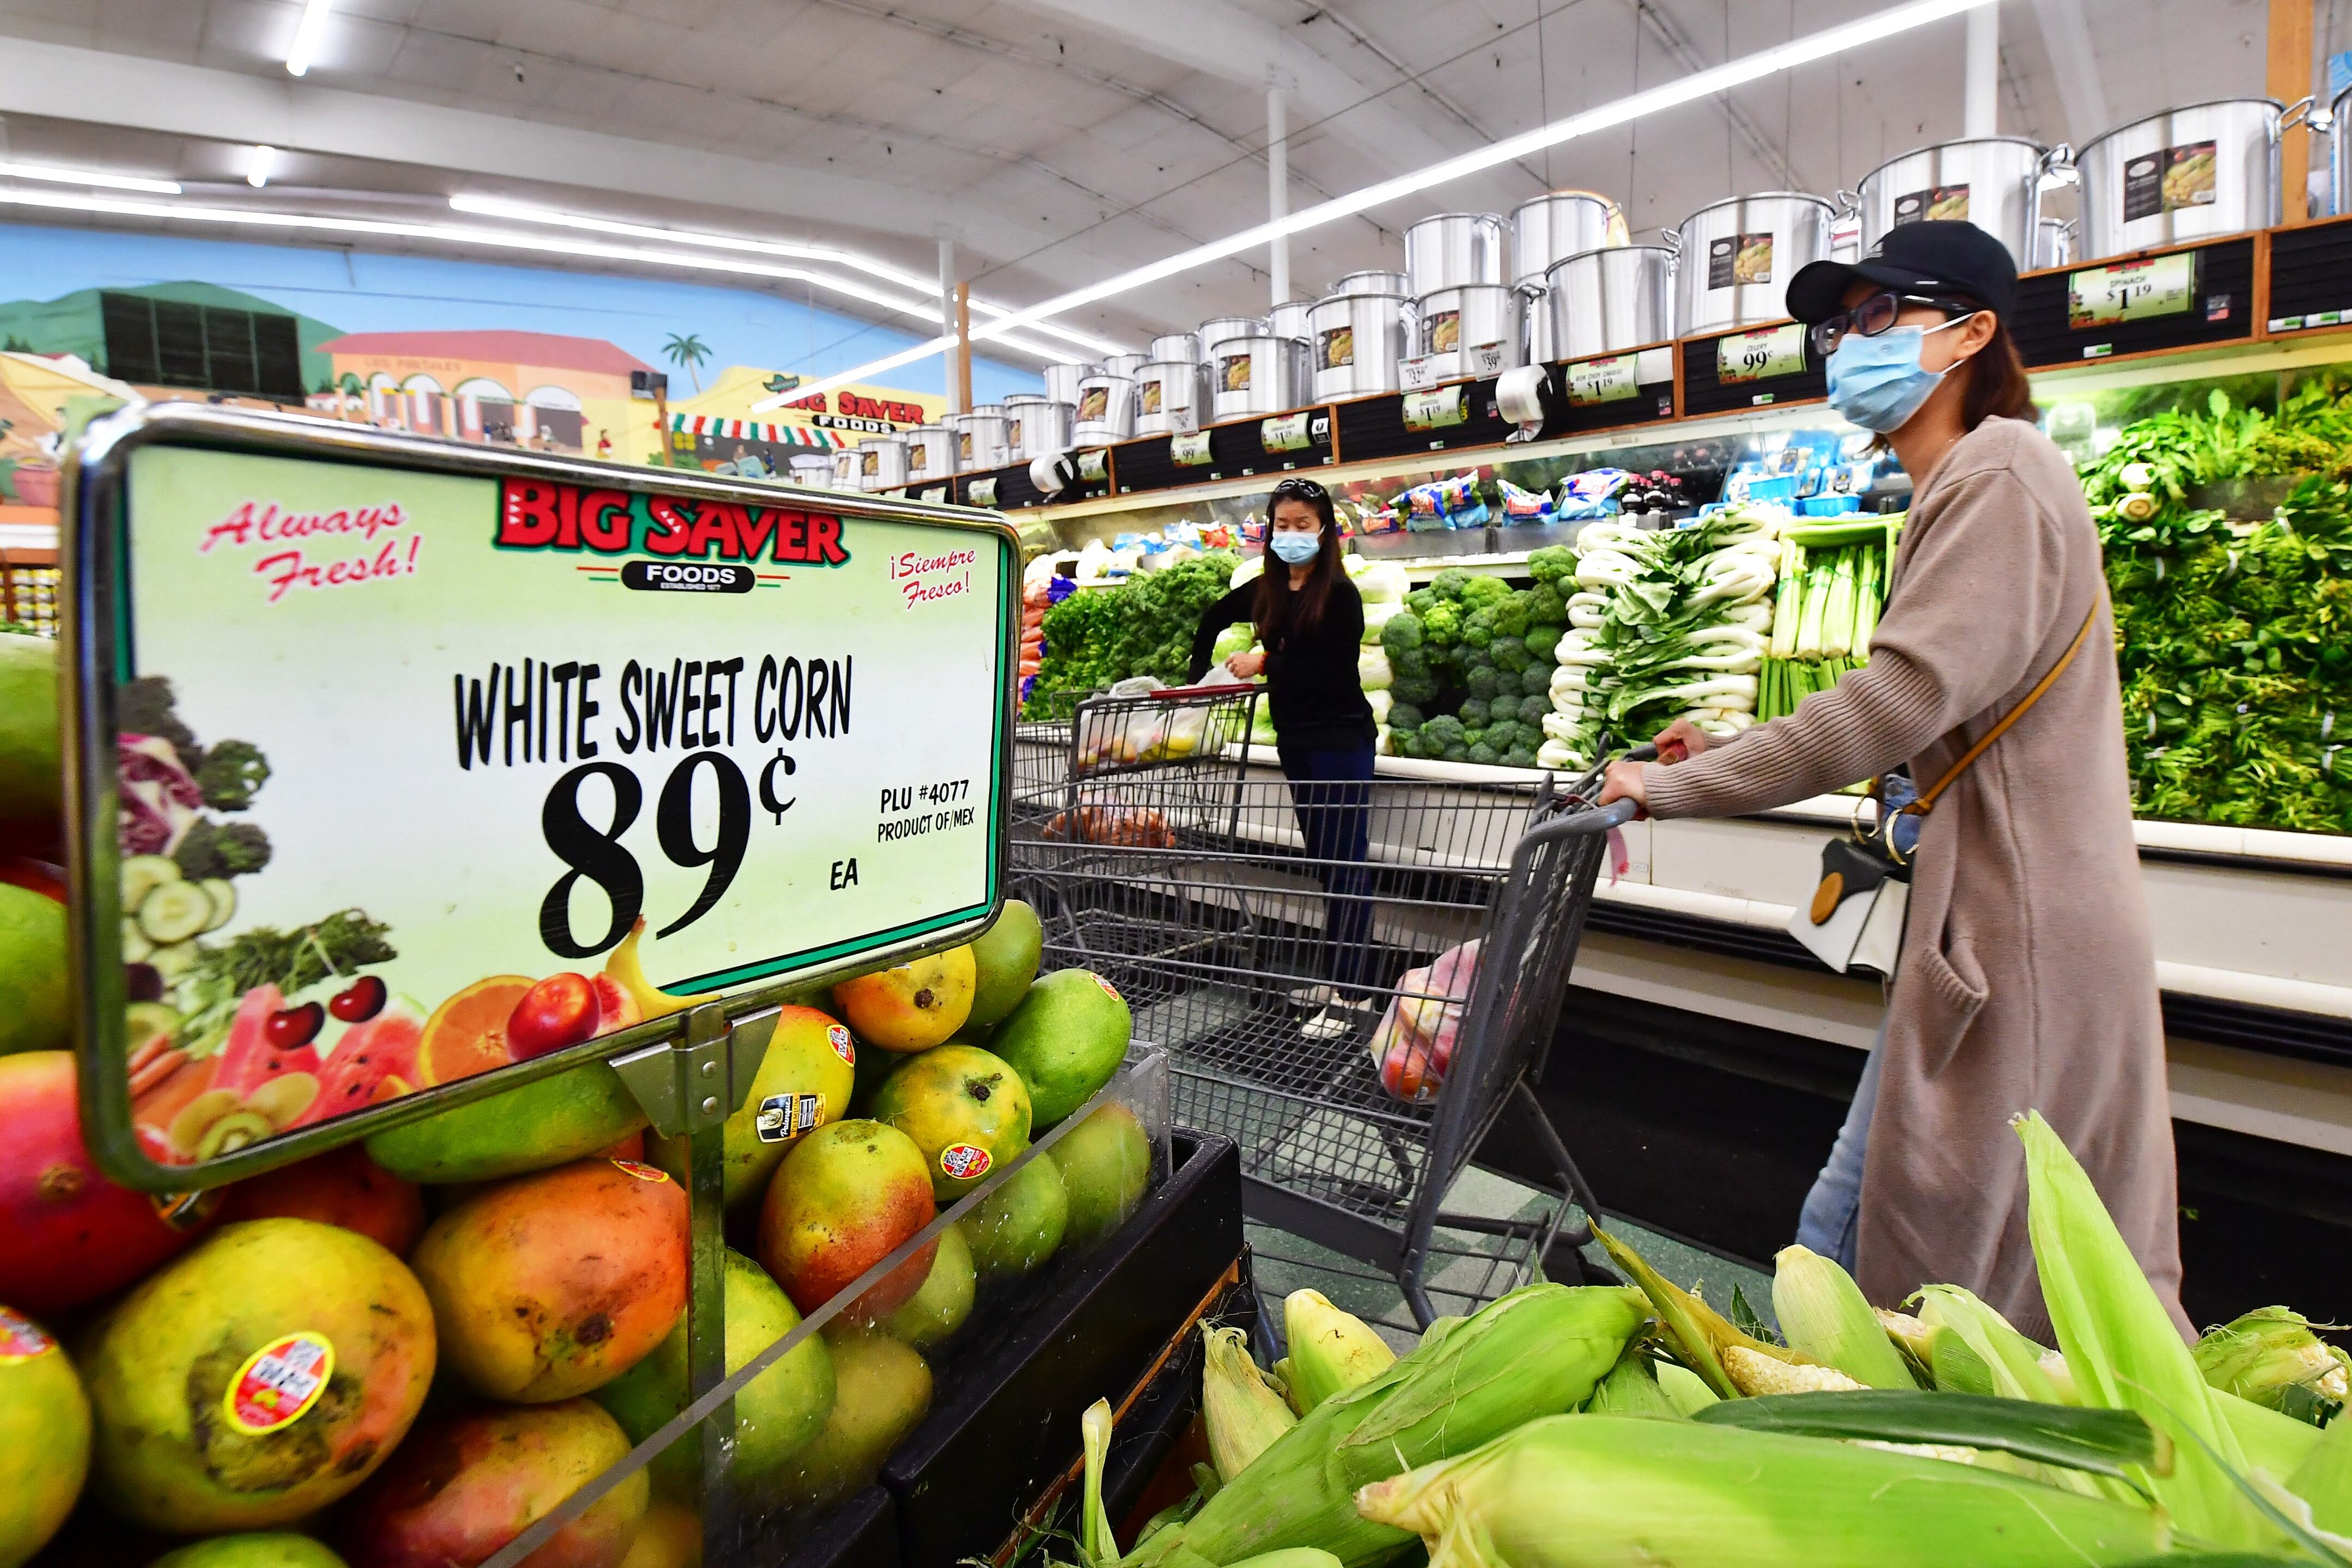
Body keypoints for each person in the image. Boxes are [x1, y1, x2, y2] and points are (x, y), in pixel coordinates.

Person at [1594, 221, 2188, 1341]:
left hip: (2020, 943)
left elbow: (1893, 705)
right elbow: (1934, 708)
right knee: (1881, 1218)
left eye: (1875, 315)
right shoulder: (1969, 481)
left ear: (1968, 332)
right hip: (1992, 927)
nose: (1843, 344)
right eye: (1834, 324)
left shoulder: (1997, 471)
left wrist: (1666, 786)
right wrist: (1724, 739)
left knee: (1953, 1274)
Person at [1189, 478, 1379, 1035]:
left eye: (1303, 524)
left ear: (1324, 530)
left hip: (1340, 741)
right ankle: (1341, 976)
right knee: (1326, 862)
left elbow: (1331, 669)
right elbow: (1212, 617)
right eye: (1282, 524)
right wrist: (1198, 674)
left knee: (1346, 866)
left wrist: (1265, 662)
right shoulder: (1268, 589)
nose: (1292, 534)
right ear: (1269, 529)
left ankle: (1355, 993)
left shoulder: (1339, 595)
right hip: (1296, 741)